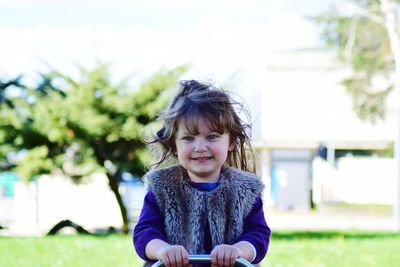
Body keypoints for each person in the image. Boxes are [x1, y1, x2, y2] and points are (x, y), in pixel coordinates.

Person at [133, 80, 271, 267]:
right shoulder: (162, 188)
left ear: (230, 142)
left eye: (212, 137)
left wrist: (238, 250)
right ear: (175, 145)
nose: (200, 147)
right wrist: (162, 250)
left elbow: (258, 234)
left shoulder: (246, 190)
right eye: (188, 138)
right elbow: (145, 232)